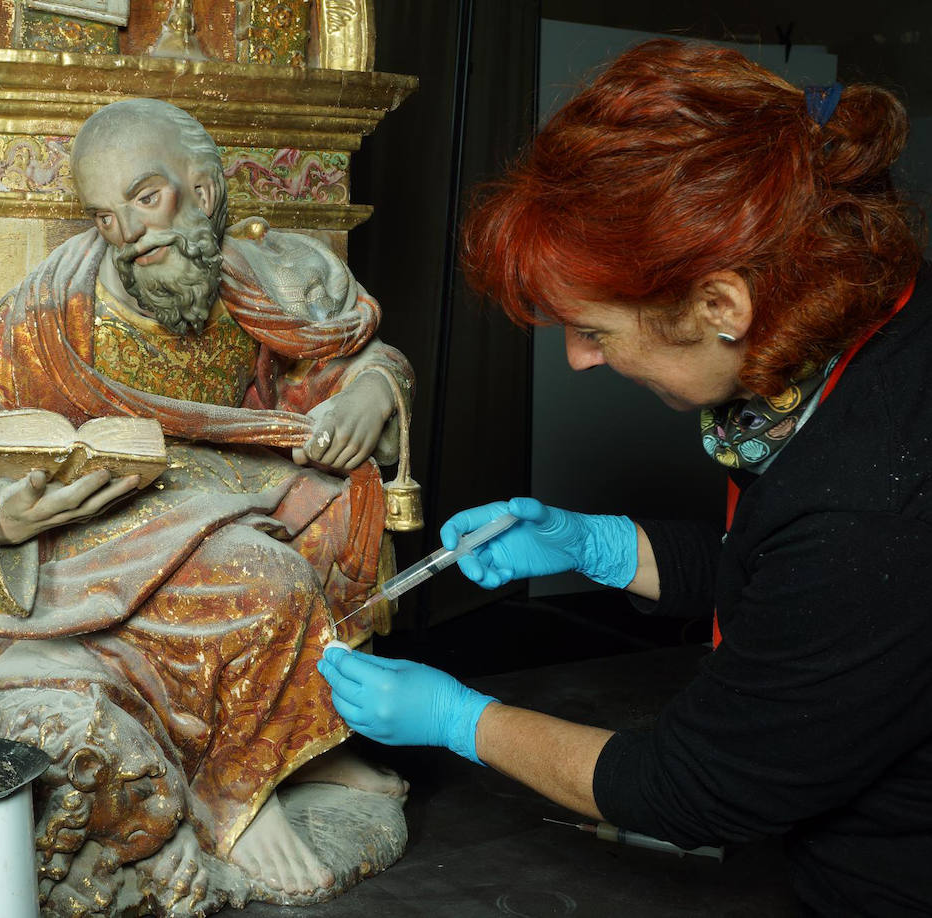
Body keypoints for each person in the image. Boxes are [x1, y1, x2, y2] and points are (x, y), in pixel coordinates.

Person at [319, 39, 930, 917]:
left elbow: (696, 787)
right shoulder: (867, 335)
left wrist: (461, 720)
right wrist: (610, 549)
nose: (576, 359)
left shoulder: (877, 493)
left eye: (594, 329)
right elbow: (804, 587)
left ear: (721, 306)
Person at [0, 97, 412, 912]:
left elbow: (344, 362)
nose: (131, 233)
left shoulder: (272, 275)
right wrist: (4, 517)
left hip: (237, 480)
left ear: (205, 188)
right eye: (106, 217)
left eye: (146, 199)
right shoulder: (50, 310)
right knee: (265, 579)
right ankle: (237, 797)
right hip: (101, 520)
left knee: (339, 505)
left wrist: (368, 393)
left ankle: (307, 755)